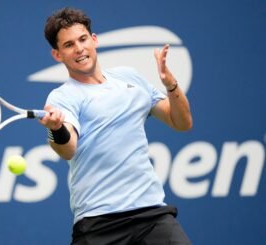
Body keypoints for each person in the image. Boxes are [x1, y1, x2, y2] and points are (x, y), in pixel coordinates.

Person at [40, 7, 193, 245]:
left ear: (94, 40)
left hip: (151, 215)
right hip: (98, 223)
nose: (79, 48)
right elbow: (67, 148)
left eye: (82, 39)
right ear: (57, 55)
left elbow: (181, 122)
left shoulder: (130, 78)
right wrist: (57, 128)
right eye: (69, 45)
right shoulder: (62, 97)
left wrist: (170, 84)